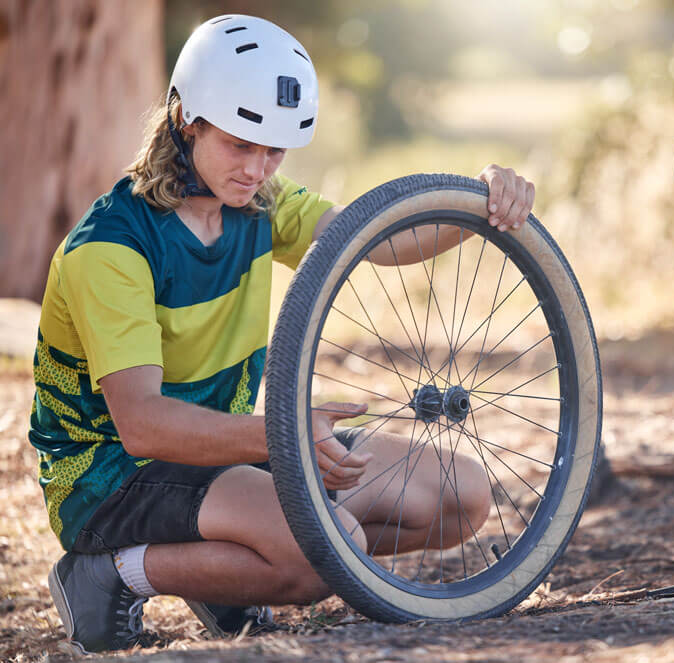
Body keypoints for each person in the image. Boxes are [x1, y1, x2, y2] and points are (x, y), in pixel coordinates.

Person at [29, 14, 535, 654]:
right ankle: (109, 573)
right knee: (331, 548)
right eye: (241, 145)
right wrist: (289, 431)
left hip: (219, 452)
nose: (258, 169)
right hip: (110, 474)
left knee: (458, 495)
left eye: (274, 151)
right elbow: (145, 427)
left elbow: (382, 237)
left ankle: (227, 568)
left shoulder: (258, 203)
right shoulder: (111, 249)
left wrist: (483, 194)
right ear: (188, 120)